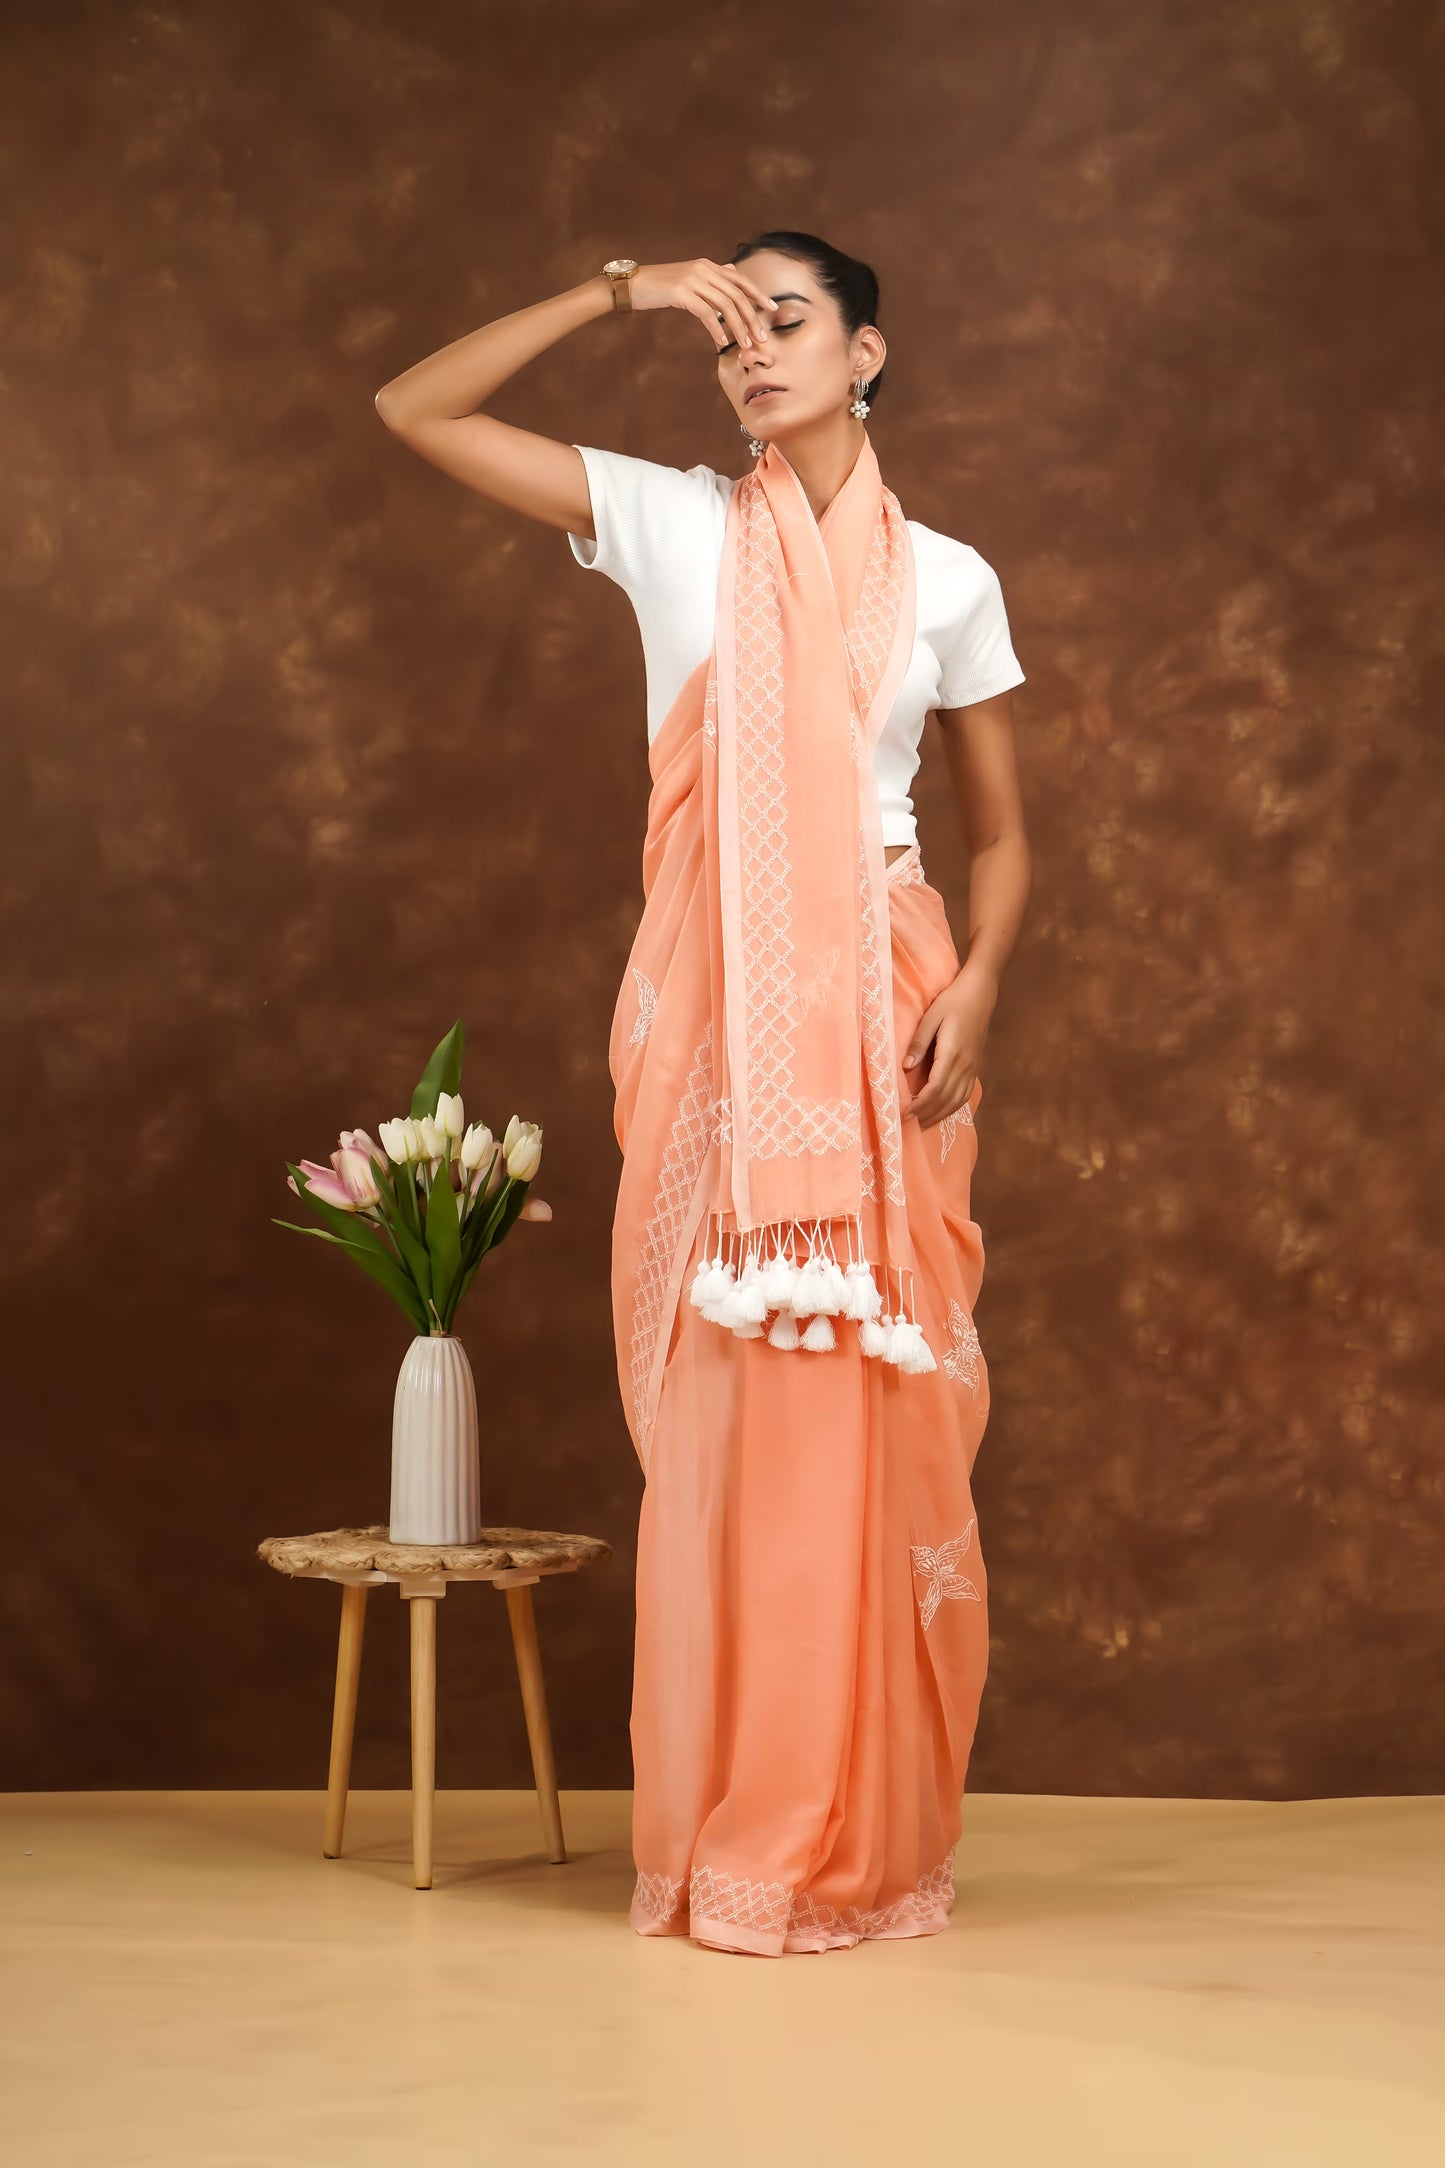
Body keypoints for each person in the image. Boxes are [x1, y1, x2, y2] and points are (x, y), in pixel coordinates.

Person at [374, 235, 1033, 1956]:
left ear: (867, 350)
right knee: (740, 1408)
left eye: (783, 321)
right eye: (725, 332)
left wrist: (977, 980)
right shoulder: (672, 524)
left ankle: (855, 1829)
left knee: (869, 1413)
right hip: (717, 1011)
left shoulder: (951, 579)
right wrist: (614, 292)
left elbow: (1003, 833)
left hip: (881, 1008)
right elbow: (412, 405)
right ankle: (740, 1831)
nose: (748, 355)